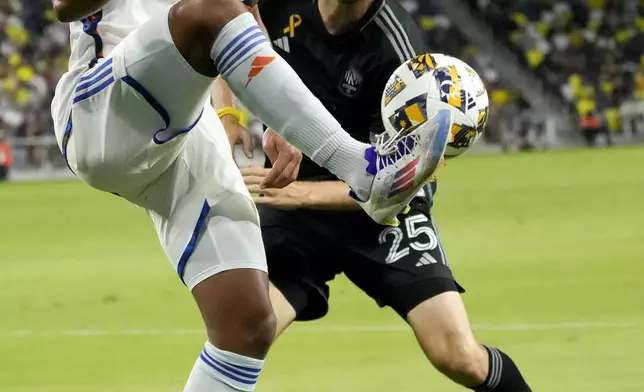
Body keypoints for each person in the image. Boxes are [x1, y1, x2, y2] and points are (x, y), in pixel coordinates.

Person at [50, 0, 450, 391]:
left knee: (248, 326)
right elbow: (65, 6)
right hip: (100, 109)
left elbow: (246, 16)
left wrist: (280, 118)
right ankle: (362, 170)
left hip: (183, 129)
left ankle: (364, 173)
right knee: (208, 12)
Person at [218, 0, 532, 391]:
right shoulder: (277, 5)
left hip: (383, 214)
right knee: (244, 334)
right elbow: (223, 27)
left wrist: (303, 194)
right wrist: (227, 114)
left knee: (457, 356)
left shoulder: (399, 55)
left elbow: (398, 184)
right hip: (294, 202)